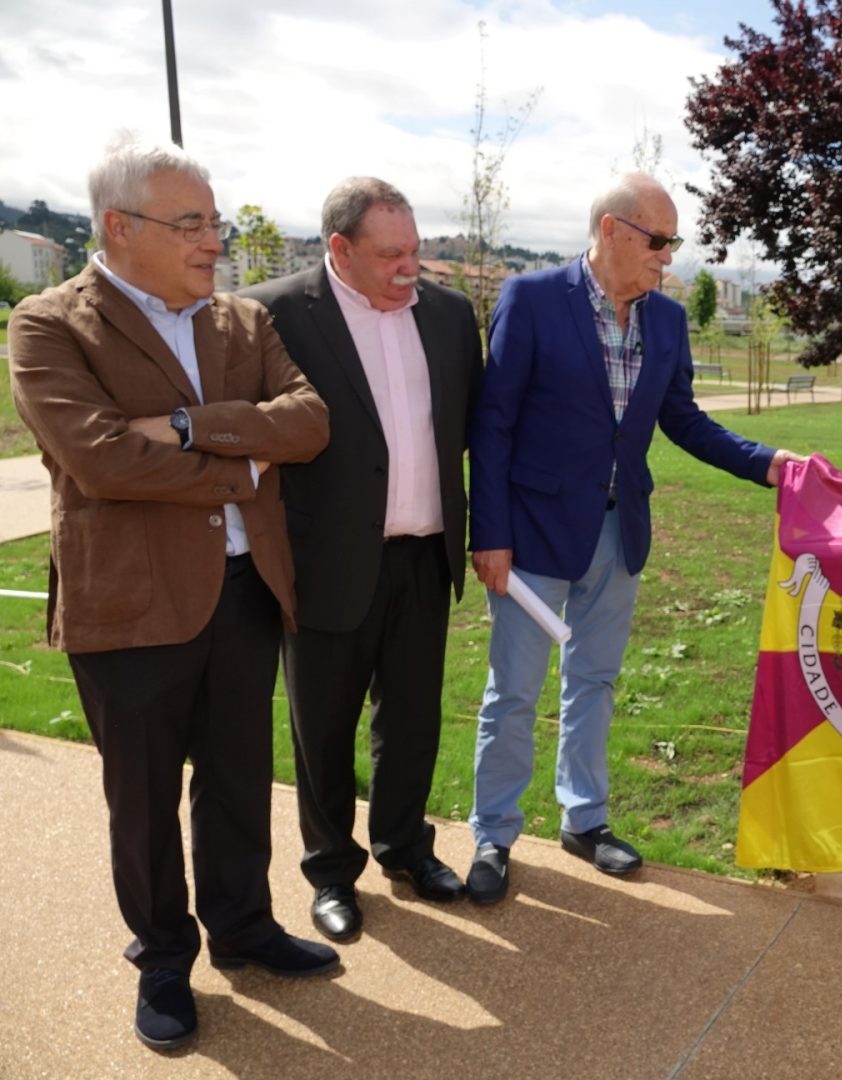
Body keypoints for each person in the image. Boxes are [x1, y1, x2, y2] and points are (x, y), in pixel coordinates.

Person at [7, 134, 333, 1051]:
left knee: (236, 776)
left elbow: (308, 422)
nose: (213, 241)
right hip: (131, 602)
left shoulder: (241, 321)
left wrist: (188, 425)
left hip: (245, 587)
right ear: (118, 227)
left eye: (215, 222)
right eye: (190, 223)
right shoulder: (46, 324)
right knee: (142, 795)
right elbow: (99, 460)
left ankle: (242, 926)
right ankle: (160, 955)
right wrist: (244, 461)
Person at [466, 173, 802, 902]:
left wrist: (766, 464)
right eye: (659, 239)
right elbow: (491, 425)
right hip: (532, 538)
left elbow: (682, 419)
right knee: (514, 693)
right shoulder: (530, 300)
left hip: (620, 533)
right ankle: (493, 833)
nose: (668, 255)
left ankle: (584, 820)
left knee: (595, 682)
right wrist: (488, 531)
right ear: (613, 230)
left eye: (673, 241)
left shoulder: (668, 321)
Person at [240, 178, 484, 942]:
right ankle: (330, 872)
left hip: (424, 552)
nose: (410, 267)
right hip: (325, 560)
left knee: (412, 720)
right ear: (339, 249)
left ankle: (406, 847)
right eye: (391, 255)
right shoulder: (271, 313)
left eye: (415, 250)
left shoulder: (448, 317)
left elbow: (471, 429)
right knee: (324, 727)